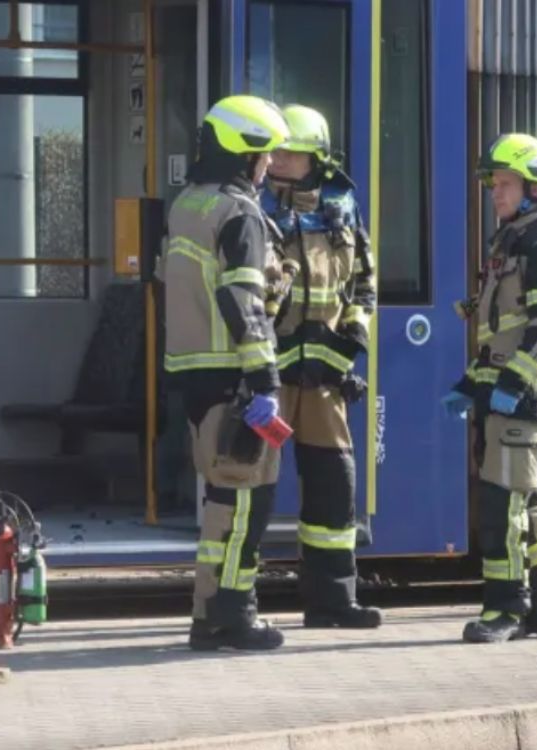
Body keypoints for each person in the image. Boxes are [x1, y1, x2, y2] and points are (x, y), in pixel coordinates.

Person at [159, 94, 291, 651]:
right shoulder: (239, 213)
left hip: (193, 374)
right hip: (234, 375)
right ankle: (235, 614)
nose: (268, 169)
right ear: (246, 155)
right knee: (246, 499)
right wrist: (264, 378)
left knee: (220, 496)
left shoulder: (187, 203)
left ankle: (207, 615)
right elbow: (242, 297)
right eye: (265, 158)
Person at [443, 133, 537, 643]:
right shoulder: (509, 242)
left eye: (504, 183)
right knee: (530, 501)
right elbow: (498, 333)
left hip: (523, 397)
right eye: (494, 184)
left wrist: (514, 382)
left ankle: (507, 609)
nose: (494, 194)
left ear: (535, 189)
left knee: (506, 506)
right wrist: (470, 385)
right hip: (503, 396)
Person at [260, 104, 382, 629]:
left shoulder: (343, 206)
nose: (279, 158)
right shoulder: (256, 206)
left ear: (315, 157)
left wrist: (347, 344)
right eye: (276, 151)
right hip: (270, 377)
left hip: (326, 379)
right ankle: (237, 607)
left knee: (334, 483)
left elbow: (363, 286)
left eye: (290, 151)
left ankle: (334, 601)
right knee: (253, 482)